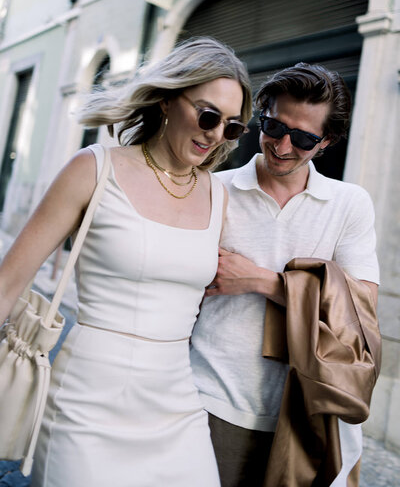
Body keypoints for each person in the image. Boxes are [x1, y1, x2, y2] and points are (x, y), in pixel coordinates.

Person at [0, 37, 253, 487]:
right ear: (167, 100)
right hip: (85, 402)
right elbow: (7, 284)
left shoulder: (218, 195)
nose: (215, 134)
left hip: (177, 403)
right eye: (209, 115)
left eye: (231, 127)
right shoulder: (94, 169)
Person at [190, 62, 381, 486]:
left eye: (305, 137)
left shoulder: (349, 203)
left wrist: (260, 281)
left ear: (326, 141)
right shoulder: (211, 189)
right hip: (211, 398)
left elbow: (361, 301)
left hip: (306, 409)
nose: (282, 145)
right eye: (274, 126)